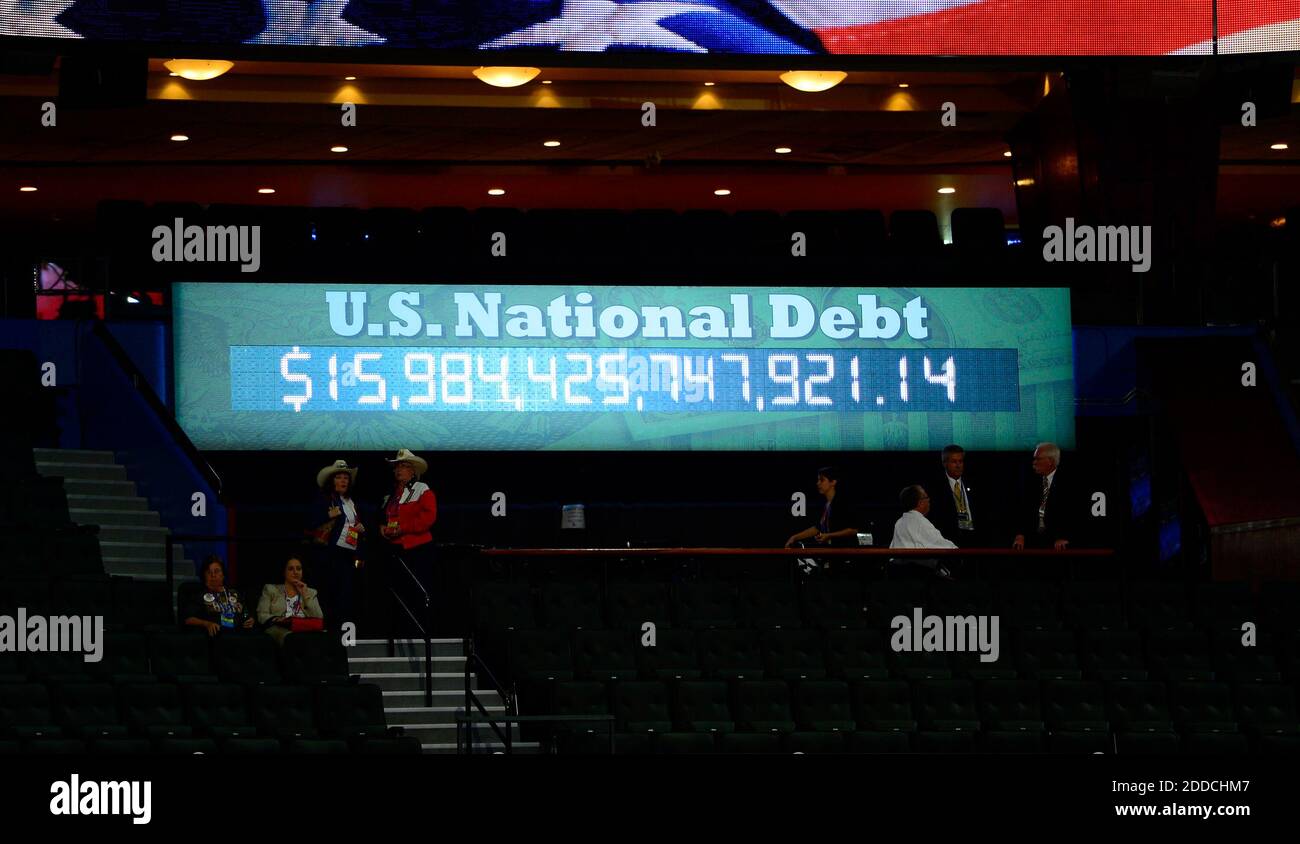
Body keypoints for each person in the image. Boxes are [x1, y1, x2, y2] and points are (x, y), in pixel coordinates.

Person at [379, 448, 438, 633]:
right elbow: (382, 517)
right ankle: (400, 630)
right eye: (397, 466)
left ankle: (418, 630)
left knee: (417, 592)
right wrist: (381, 528)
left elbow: (428, 518)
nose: (399, 470)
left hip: (418, 549)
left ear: (413, 470)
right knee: (399, 592)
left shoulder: (422, 489)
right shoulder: (391, 494)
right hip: (396, 550)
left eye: (403, 466)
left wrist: (403, 528)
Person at [308, 459, 366, 629]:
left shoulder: (352, 502)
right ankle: (328, 636)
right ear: (331, 480)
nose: (342, 481)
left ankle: (345, 638)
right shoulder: (324, 499)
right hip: (330, 556)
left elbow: (353, 528)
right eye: (338, 477)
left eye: (345, 478)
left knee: (346, 599)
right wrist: (328, 515)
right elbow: (308, 524)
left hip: (348, 556)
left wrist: (362, 529)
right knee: (329, 597)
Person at [785, 466, 862, 575]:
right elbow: (817, 528)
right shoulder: (827, 505)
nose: (818, 483)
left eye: (822, 480)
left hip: (844, 559)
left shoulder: (842, 503)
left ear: (833, 482)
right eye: (818, 480)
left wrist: (829, 535)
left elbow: (853, 530)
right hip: (831, 557)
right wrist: (795, 537)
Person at [1013, 442, 1078, 551]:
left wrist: (1063, 537)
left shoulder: (1069, 484)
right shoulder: (1030, 481)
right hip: (1032, 540)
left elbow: (1072, 514)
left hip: (1057, 543)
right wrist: (1020, 535)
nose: (1034, 463)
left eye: (1038, 459)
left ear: (1050, 461)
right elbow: (1023, 510)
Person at [889, 485, 955, 579]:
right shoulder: (920, 521)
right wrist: (957, 550)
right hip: (919, 573)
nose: (929, 500)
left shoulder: (899, 522)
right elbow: (940, 544)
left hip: (900, 573)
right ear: (920, 502)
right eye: (927, 497)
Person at [257, 556, 325, 645]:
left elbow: (319, 617)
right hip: (280, 628)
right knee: (293, 639)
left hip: (304, 629)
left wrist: (305, 595)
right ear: (284, 572)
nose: (295, 572)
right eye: (290, 569)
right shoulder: (271, 589)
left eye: (298, 569)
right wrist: (276, 619)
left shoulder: (311, 592)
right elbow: (261, 614)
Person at [181, 555, 255, 636]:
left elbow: (245, 613)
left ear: (223, 575)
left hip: (238, 636)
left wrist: (250, 620)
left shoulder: (234, 593)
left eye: (216, 571)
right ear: (204, 576)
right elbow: (188, 619)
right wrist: (206, 624)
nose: (213, 575)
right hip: (216, 636)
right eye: (209, 572)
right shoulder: (200, 595)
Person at [928, 444, 981, 546]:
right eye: (954, 462)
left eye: (960, 461)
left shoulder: (974, 483)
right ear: (945, 463)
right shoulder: (935, 487)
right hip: (948, 539)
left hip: (973, 537)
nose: (958, 465)